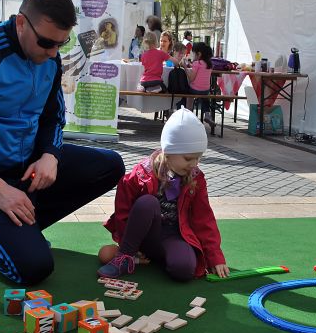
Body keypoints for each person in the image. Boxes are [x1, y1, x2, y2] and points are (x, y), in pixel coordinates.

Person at [0, 0, 125, 285]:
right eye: (47, 42)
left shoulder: (51, 57)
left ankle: (13, 228)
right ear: (21, 23)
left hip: (24, 168)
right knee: (32, 269)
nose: (53, 53)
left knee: (111, 165)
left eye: (62, 43)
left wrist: (50, 155)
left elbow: (53, 116)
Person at [98, 107, 230, 281]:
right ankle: (126, 256)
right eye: (188, 158)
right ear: (168, 151)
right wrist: (125, 243)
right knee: (147, 203)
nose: (194, 164)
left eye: (199, 158)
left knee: (184, 269)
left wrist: (214, 257)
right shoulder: (141, 174)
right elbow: (123, 212)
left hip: (172, 236)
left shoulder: (196, 178)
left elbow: (204, 218)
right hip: (142, 234)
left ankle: (148, 258)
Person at [183, 42, 214, 130]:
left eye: (193, 53)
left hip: (195, 89)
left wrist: (185, 67)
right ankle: (207, 115)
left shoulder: (197, 63)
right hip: (206, 90)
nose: (193, 55)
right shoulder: (209, 64)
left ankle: (189, 115)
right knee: (205, 97)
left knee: (189, 93)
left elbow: (191, 78)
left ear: (199, 54)